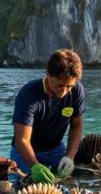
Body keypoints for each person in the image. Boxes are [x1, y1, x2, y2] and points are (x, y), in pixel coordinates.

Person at [10, 49, 84, 183]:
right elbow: (22, 140)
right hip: (26, 151)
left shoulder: (77, 91)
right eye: (59, 85)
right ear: (48, 75)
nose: (64, 92)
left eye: (69, 86)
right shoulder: (28, 94)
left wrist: (70, 156)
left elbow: (76, 126)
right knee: (25, 187)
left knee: (69, 184)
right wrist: (35, 166)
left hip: (55, 149)